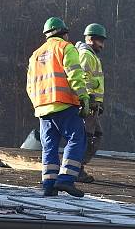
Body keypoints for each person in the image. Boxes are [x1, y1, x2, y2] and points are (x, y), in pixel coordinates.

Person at [26, 17, 91, 197]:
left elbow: (30, 85)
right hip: (64, 104)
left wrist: (38, 104)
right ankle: (66, 180)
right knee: (77, 139)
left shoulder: (35, 54)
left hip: (43, 109)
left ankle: (49, 184)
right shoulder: (66, 48)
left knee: (49, 147)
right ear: (64, 33)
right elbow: (75, 75)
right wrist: (84, 98)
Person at [75, 23, 107, 183]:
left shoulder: (92, 55)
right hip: (87, 105)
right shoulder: (86, 55)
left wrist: (99, 102)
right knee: (87, 137)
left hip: (93, 106)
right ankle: (76, 168)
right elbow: (83, 78)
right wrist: (90, 100)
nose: (102, 45)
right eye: (100, 40)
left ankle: (77, 166)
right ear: (91, 39)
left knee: (95, 135)